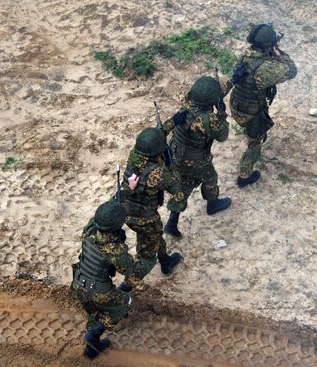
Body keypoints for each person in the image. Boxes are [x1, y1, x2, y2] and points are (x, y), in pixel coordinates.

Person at [71, 201, 156, 359]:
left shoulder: (89, 231)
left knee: (96, 310)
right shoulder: (115, 251)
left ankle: (91, 348)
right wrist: (148, 262)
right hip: (100, 292)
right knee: (123, 306)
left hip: (78, 282)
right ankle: (93, 335)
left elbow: (102, 216)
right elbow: (131, 272)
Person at [163, 76, 232, 238]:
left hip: (176, 153)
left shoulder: (186, 103)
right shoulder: (207, 120)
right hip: (195, 160)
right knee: (209, 178)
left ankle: (172, 222)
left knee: (183, 185)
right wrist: (221, 113)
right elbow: (222, 135)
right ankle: (212, 204)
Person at [230, 23, 297, 187]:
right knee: (255, 143)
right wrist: (278, 52)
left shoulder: (247, 55)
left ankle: (251, 132)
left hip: (236, 104)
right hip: (251, 112)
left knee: (252, 128)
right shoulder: (265, 68)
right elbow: (291, 70)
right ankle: (244, 177)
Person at [120, 126, 186, 276]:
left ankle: (165, 260)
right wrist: (172, 168)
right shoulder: (159, 173)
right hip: (144, 218)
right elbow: (178, 193)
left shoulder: (134, 155)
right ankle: (126, 288)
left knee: (155, 236)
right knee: (146, 257)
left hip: (125, 210)